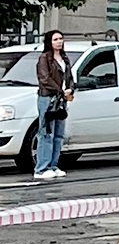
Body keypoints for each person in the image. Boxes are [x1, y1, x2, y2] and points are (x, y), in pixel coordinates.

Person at [31, 29, 72, 181]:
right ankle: (41, 168)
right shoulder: (44, 58)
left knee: (59, 134)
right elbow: (44, 78)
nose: (59, 42)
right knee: (46, 132)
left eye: (61, 38)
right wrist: (60, 90)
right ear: (49, 42)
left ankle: (53, 165)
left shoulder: (65, 58)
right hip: (48, 98)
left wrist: (70, 89)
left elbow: (69, 77)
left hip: (61, 99)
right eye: (55, 39)